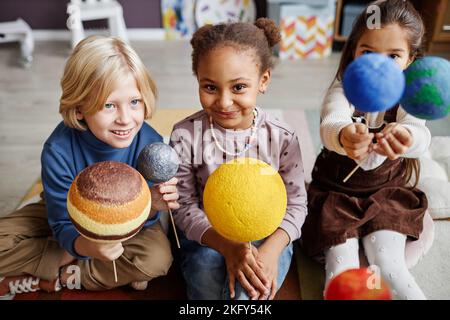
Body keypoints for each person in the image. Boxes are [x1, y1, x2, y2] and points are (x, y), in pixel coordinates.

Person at [0, 36, 179, 298]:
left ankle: (63, 276)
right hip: (72, 214)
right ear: (80, 107)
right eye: (108, 105)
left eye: (134, 102)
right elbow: (61, 220)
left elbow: (147, 219)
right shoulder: (58, 150)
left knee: (157, 259)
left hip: (129, 221)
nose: (125, 119)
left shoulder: (149, 144)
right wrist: (83, 245)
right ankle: (65, 259)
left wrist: (152, 204)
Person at [169, 18, 308, 300]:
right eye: (210, 87)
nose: (223, 101)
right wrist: (227, 247)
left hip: (268, 236)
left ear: (263, 80)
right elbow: (182, 205)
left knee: (251, 290)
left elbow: (296, 203)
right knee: (205, 280)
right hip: (207, 235)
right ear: (198, 81)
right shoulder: (186, 135)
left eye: (239, 87)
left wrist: (270, 250)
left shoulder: (281, 137)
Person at [301, 0, 430, 300]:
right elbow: (331, 120)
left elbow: (421, 134)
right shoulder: (344, 86)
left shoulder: (410, 94)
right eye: (368, 53)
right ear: (354, 50)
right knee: (342, 268)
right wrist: (345, 134)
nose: (377, 65)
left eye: (393, 55)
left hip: (386, 195)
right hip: (336, 195)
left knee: (390, 266)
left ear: (410, 59)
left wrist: (405, 137)